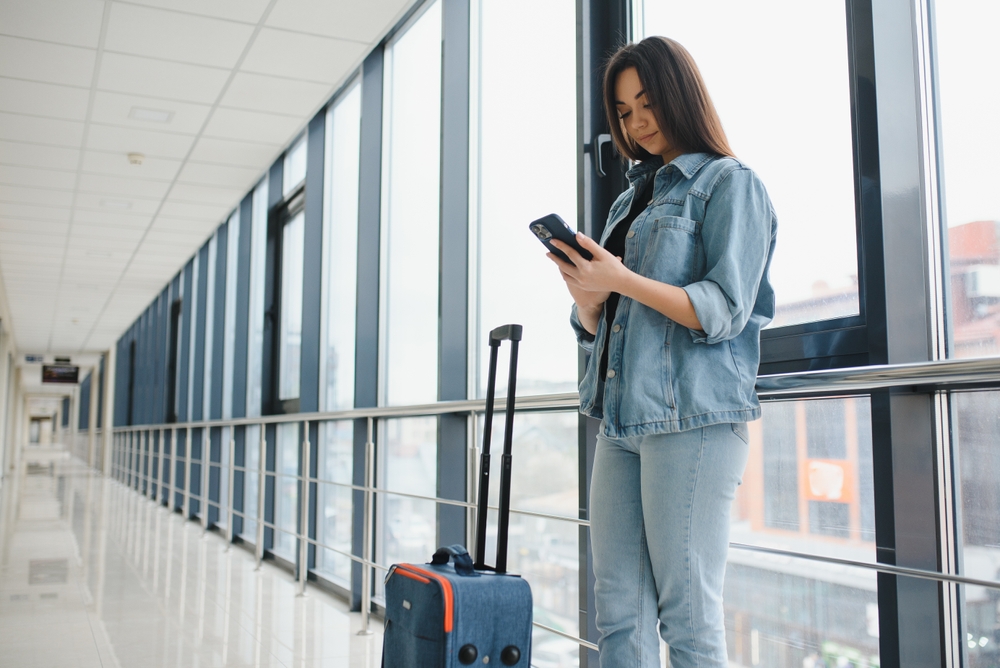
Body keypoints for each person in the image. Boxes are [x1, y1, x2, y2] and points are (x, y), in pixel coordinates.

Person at [546, 37, 777, 667]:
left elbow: (723, 308)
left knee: (689, 620)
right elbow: (607, 327)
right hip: (621, 422)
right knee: (617, 614)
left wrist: (620, 279)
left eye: (646, 102)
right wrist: (591, 298)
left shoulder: (731, 184)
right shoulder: (630, 199)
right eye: (622, 112)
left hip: (693, 422)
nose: (637, 122)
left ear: (679, 95)